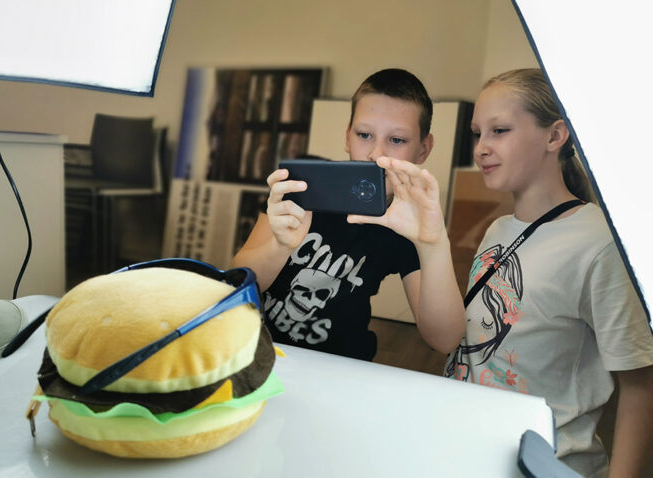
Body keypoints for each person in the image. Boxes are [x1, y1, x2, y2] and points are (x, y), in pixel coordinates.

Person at [351, 68, 653, 477]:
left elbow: (640, 384)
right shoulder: (498, 229)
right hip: (474, 449)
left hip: (544, 464)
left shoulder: (598, 243)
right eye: (478, 134)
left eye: (500, 131)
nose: (481, 148)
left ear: (555, 135)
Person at [232, 68, 465, 361]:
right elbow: (238, 283)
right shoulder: (304, 183)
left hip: (341, 363)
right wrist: (279, 246)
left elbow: (445, 340)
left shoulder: (408, 224)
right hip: (258, 350)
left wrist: (433, 243)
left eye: (397, 140)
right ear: (347, 136)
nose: (376, 154)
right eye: (364, 135)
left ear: (423, 149)